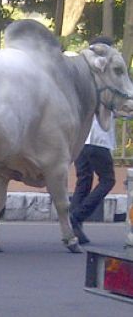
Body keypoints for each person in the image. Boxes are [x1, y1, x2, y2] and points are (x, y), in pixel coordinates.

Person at [70, 36, 117, 245]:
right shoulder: (106, 75)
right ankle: (78, 216)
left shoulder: (82, 73)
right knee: (108, 180)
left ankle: (73, 225)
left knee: (84, 180)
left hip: (82, 136)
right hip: (98, 136)